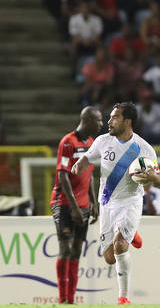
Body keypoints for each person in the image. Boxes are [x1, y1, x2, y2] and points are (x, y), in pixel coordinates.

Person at [71, 102, 160, 304]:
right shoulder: (103, 141)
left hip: (130, 202)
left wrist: (151, 176)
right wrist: (80, 163)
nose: (109, 121)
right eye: (110, 117)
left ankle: (123, 298)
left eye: (114, 118)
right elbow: (88, 158)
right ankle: (133, 235)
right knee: (110, 257)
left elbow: (159, 179)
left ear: (127, 121)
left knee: (120, 245)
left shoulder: (143, 148)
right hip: (107, 203)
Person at [50, 106, 102, 304]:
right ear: (87, 119)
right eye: (97, 121)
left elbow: (89, 176)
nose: (100, 124)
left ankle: (70, 300)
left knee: (77, 250)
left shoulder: (90, 143)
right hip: (63, 203)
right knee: (65, 248)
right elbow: (62, 174)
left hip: (84, 204)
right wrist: (73, 207)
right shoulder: (68, 142)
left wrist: (94, 202)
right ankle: (62, 298)